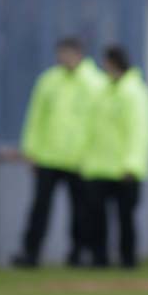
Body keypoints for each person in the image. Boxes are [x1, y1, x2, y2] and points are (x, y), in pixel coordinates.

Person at [12, 36, 106, 268]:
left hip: (80, 159)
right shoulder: (48, 81)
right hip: (48, 157)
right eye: (60, 54)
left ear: (79, 54)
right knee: (40, 209)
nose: (63, 59)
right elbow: (36, 117)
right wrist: (31, 150)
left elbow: (100, 124)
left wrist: (94, 156)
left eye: (67, 54)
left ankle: (78, 254)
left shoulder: (95, 82)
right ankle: (30, 253)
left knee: (81, 212)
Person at [79, 46, 148, 268]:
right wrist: (85, 159)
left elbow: (139, 130)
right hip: (98, 167)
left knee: (125, 218)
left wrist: (132, 163)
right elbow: (90, 129)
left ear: (113, 63)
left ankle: (128, 260)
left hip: (124, 168)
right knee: (96, 218)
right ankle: (98, 259)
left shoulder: (134, 91)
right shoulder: (102, 90)